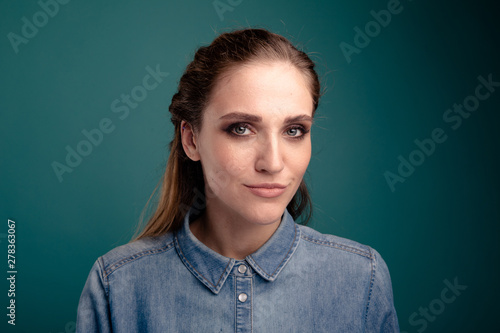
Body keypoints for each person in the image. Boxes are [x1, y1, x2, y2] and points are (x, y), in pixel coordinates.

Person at [76, 28, 399, 332]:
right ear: (191, 140)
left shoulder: (361, 278)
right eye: (241, 128)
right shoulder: (118, 284)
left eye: (294, 130)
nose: (272, 163)